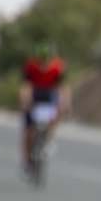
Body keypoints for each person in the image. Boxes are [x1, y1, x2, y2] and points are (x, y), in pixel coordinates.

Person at [19, 42, 69, 174]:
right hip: (34, 95)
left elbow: (62, 88)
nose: (44, 63)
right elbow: (26, 87)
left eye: (46, 60)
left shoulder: (58, 67)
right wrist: (25, 102)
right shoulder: (31, 66)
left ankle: (49, 140)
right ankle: (26, 160)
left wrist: (65, 103)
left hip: (49, 94)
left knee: (56, 113)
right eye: (41, 60)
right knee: (28, 132)